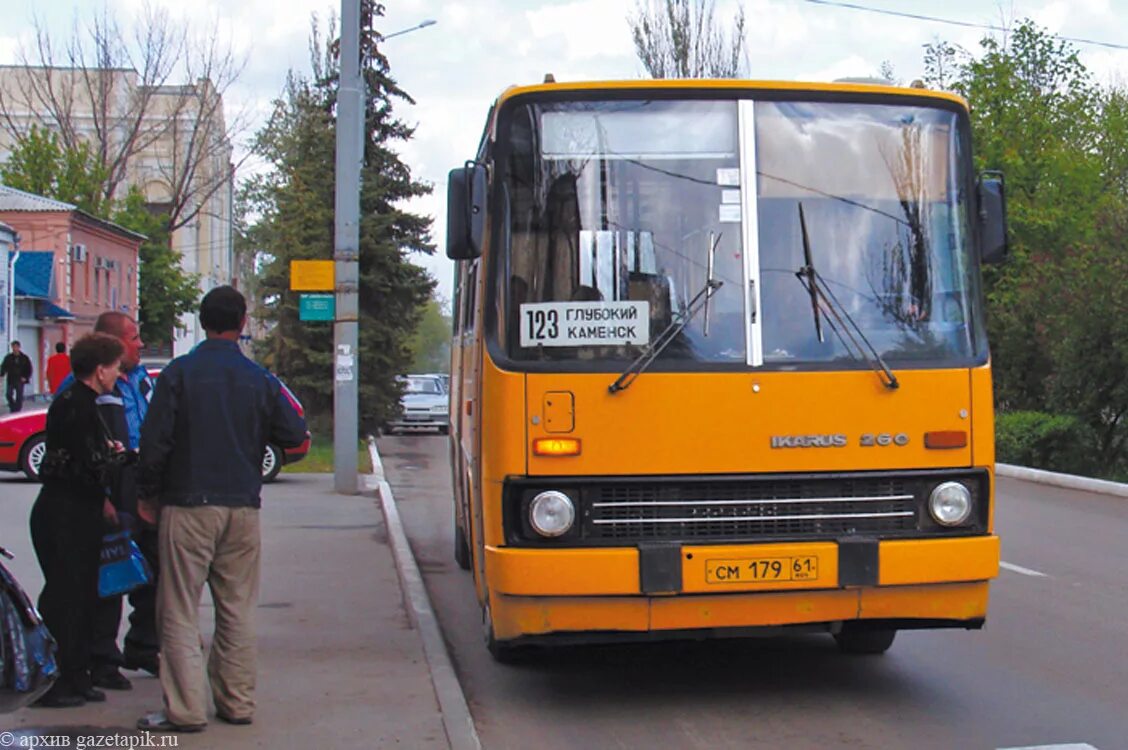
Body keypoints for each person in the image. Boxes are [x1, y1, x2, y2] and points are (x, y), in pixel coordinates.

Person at [136, 286, 307, 733]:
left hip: (187, 503)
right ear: (243, 323)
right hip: (243, 508)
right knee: (237, 607)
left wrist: (147, 494)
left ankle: (185, 710)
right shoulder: (259, 379)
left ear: (202, 321)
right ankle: (236, 702)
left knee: (177, 608)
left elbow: (154, 443)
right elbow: (293, 432)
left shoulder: (178, 374)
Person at [57, 313, 160, 689]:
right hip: (108, 485)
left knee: (152, 569)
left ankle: (143, 645)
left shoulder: (140, 379)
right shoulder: (83, 390)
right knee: (110, 569)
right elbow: (79, 449)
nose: (140, 344)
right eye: (133, 338)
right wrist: (104, 497)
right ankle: (100, 659)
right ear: (111, 345)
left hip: (139, 481)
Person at [28, 333, 128, 708]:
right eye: (116, 368)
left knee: (83, 597)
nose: (119, 374)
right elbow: (83, 465)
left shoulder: (84, 402)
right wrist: (119, 459)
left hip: (79, 512)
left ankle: (77, 673)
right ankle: (54, 681)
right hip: (64, 514)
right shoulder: (75, 404)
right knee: (65, 599)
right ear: (100, 370)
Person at [1, 341, 33, 413]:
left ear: (19, 347)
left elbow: (29, 368)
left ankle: (17, 409)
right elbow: (3, 367)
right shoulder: (8, 358)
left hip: (20, 379)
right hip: (11, 379)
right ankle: (12, 406)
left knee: (19, 396)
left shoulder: (24, 358)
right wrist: (1, 374)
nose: (15, 349)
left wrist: (25, 377)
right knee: (8, 394)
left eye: (16, 347)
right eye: (13, 347)